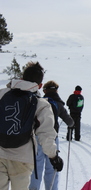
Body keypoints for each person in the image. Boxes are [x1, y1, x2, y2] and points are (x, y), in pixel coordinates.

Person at [0, 62, 63, 190]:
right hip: (22, 158)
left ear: (22, 78)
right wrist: (53, 156)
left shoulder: (2, 94)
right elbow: (46, 134)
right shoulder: (41, 104)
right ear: (39, 85)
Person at [29, 80, 74, 190]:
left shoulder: (40, 101)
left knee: (37, 168)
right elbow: (70, 121)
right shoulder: (58, 104)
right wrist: (71, 124)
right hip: (53, 138)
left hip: (37, 137)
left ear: (44, 90)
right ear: (56, 90)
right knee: (52, 167)